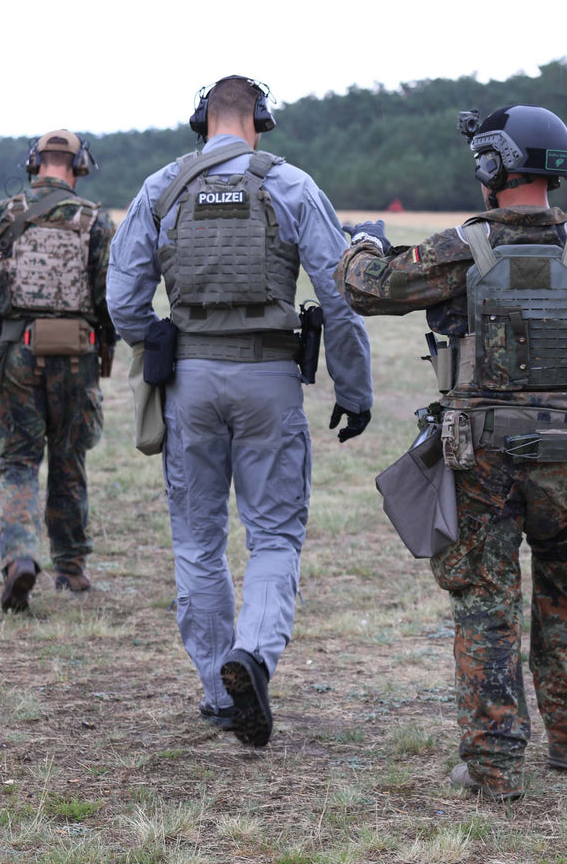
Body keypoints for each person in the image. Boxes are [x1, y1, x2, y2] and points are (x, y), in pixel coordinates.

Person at [335, 105, 567, 800]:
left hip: (480, 460)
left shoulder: (463, 248)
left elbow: (367, 286)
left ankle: (493, 766)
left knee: (486, 604)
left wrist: (361, 243)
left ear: (494, 166)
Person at [106, 76, 373, 748]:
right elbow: (340, 293)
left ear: (202, 120)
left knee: (197, 540)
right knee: (275, 536)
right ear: (259, 121)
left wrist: (155, 338)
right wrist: (353, 386)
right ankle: (250, 656)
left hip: (190, 379)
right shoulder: (290, 185)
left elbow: (122, 295)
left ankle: (215, 686)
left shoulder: (161, 188)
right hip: (269, 379)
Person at [0, 129, 116, 612]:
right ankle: (71, 568)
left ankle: (20, 559)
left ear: (34, 163)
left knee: (18, 462)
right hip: (77, 357)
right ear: (80, 165)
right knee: (69, 460)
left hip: (16, 356)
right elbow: (109, 295)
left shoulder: (4, 215)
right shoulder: (96, 221)